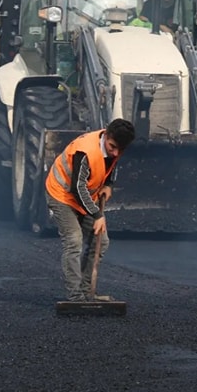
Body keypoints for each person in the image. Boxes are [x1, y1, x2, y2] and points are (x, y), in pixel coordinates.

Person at [45, 118, 136, 302]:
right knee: (74, 240)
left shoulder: (115, 147)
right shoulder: (85, 151)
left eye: (120, 150)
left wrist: (108, 184)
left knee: (101, 242)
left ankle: (87, 292)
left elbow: (111, 165)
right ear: (106, 135)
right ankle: (75, 296)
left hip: (84, 197)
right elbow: (77, 189)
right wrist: (97, 215)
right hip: (62, 194)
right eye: (112, 147)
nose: (115, 153)